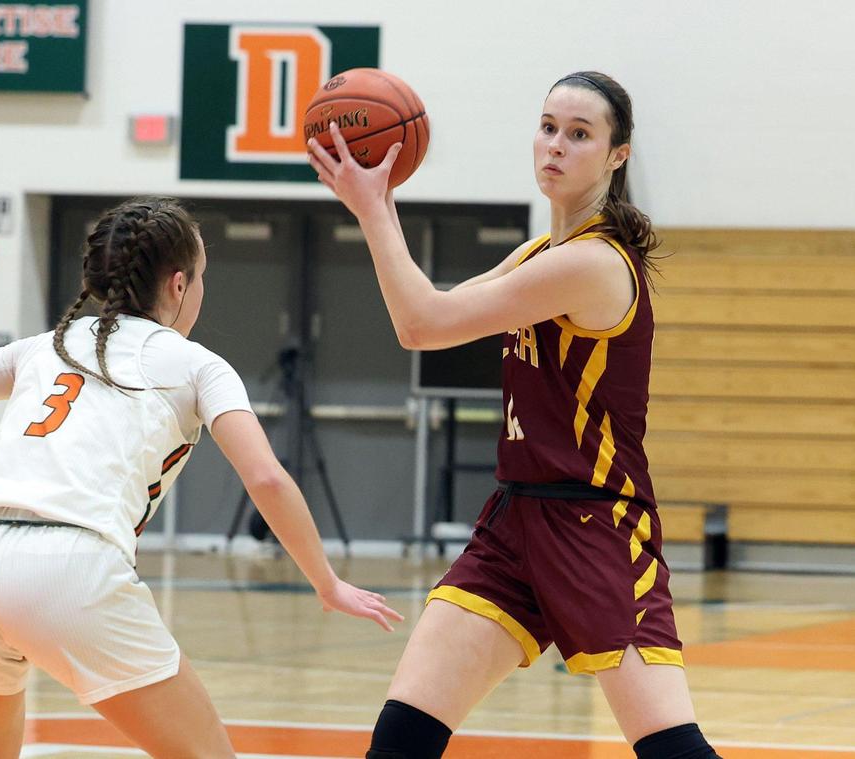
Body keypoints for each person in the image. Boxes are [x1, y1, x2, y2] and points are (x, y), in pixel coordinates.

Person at [0, 196, 403, 759]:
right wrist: (325, 582)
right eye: (203, 281)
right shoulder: (198, 364)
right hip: (70, 564)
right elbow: (266, 480)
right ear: (180, 283)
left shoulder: (42, 347)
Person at [309, 72, 722, 759]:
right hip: (514, 523)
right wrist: (374, 207)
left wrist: (374, 208)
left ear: (617, 156)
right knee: (401, 736)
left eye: (580, 134)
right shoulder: (539, 254)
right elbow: (429, 310)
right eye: (548, 126)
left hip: (594, 525)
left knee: (671, 749)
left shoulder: (594, 263)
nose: (555, 145)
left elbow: (421, 323)